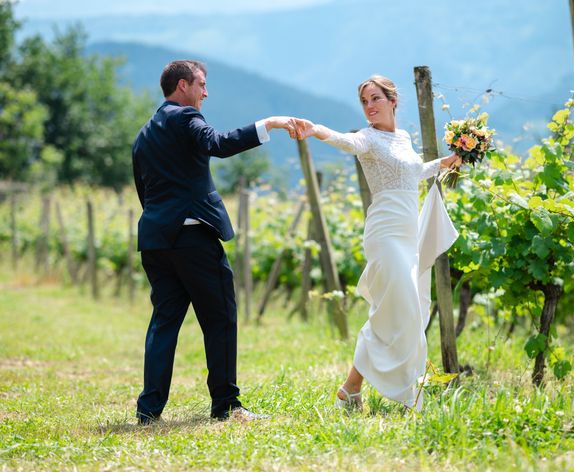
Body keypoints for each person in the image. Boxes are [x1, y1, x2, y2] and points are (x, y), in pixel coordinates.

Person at [132, 60, 300, 424]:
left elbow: (143, 190)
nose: (206, 93)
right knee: (221, 318)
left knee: (164, 323)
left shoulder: (144, 133)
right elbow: (218, 144)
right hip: (192, 237)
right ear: (182, 86)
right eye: (202, 85)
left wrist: (164, 224)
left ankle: (149, 410)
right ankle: (226, 405)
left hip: (156, 240)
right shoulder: (185, 118)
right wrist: (267, 124)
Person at [295, 75, 460, 411]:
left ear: (393, 101)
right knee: (395, 308)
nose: (370, 107)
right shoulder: (366, 139)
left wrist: (442, 164)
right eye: (365, 101)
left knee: (407, 310)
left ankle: (350, 389)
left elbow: (411, 174)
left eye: (375, 99)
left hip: (408, 232)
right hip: (384, 233)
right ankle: (404, 393)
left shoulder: (403, 137)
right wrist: (316, 129)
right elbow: (345, 141)